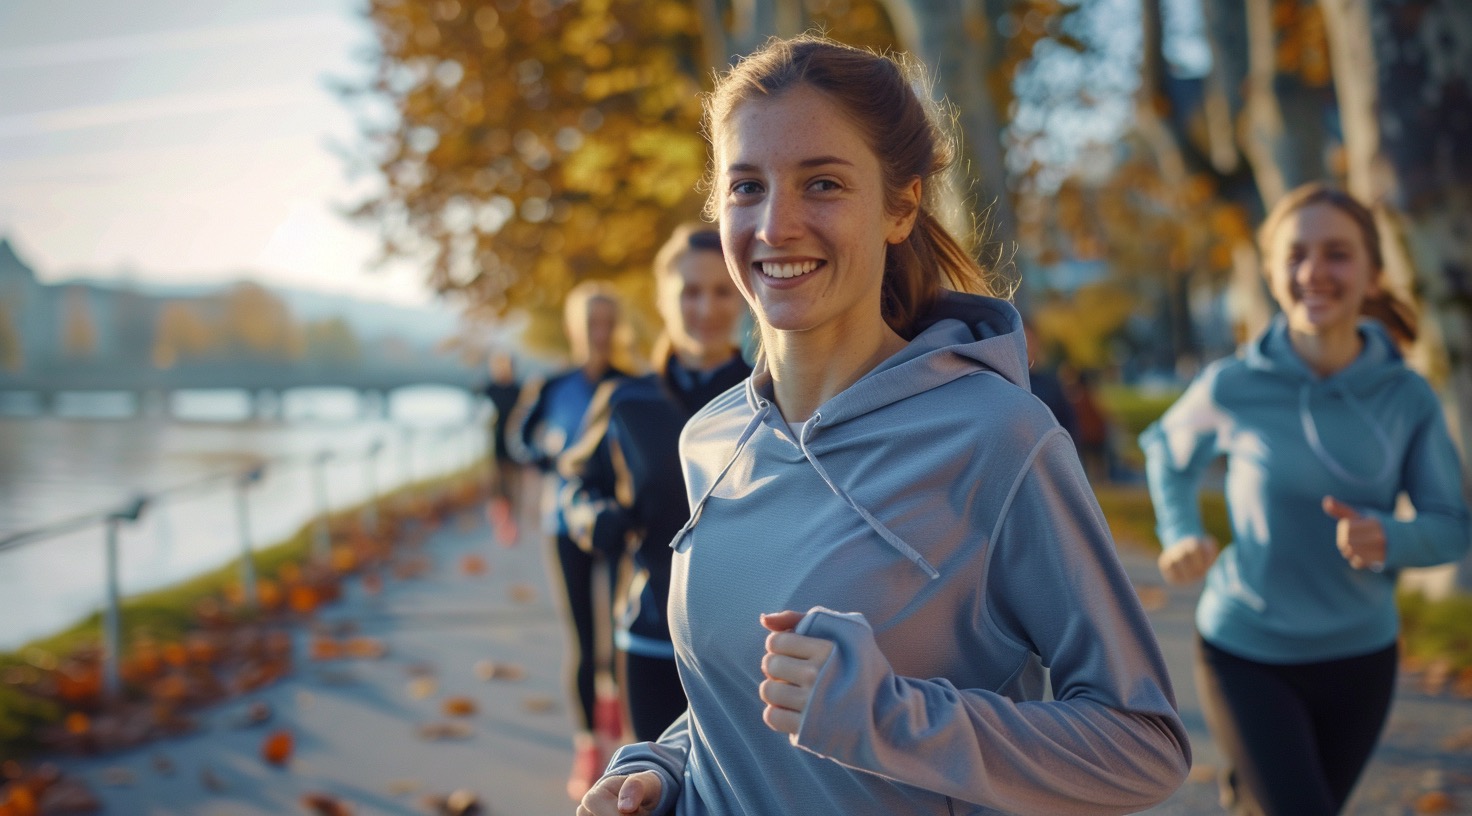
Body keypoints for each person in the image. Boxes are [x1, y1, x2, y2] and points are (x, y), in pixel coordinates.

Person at [578, 35, 1189, 816]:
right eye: (746, 187)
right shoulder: (711, 437)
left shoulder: (997, 437)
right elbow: (741, 704)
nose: (776, 225)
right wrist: (660, 768)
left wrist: (889, 720)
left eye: (823, 183)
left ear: (901, 206)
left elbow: (1144, 746)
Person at [1141, 182, 1470, 815]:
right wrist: (1180, 531)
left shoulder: (1408, 398)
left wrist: (1391, 538)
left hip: (1361, 658)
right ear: (1269, 272)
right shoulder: (1234, 384)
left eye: (1337, 254)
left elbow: (1453, 527)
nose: (1314, 271)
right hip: (1245, 647)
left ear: (1372, 272)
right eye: (1295, 254)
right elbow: (1166, 450)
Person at [560, 222, 752, 744]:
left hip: (747, 647)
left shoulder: (773, 398)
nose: (707, 309)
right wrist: (590, 515)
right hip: (649, 637)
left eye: (721, 291)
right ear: (663, 300)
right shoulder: (626, 402)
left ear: (745, 297)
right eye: (690, 291)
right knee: (649, 793)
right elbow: (577, 483)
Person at [505, 281, 630, 800]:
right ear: (575, 329)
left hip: (623, 524)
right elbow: (516, 440)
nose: (599, 333)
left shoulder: (632, 385)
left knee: (622, 635)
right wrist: (550, 455)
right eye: (590, 324)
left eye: (607, 323)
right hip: (563, 523)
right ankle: (587, 747)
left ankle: (623, 732)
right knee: (583, 639)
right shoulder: (550, 386)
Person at [482, 349, 523, 543]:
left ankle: (510, 525)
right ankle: (502, 526)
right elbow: (482, 414)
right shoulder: (491, 389)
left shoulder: (518, 390)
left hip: (515, 447)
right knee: (499, 489)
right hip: (497, 447)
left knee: (513, 489)